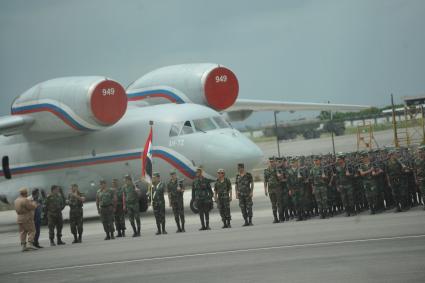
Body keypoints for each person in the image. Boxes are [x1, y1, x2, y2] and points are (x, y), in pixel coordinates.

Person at [15, 188, 38, 252]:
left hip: (19, 218)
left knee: (23, 232)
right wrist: (34, 204)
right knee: (32, 230)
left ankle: (23, 246)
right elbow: (31, 207)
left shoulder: (16, 200)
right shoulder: (25, 200)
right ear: (25, 193)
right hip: (27, 218)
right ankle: (30, 243)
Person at [264, 157, 283, 223]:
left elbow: (281, 178)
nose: (271, 163)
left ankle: (281, 217)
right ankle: (275, 218)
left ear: (275, 162)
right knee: (273, 204)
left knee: (279, 203)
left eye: (272, 161)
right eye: (270, 162)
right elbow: (265, 181)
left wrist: (279, 176)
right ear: (268, 162)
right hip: (270, 189)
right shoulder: (266, 170)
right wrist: (265, 190)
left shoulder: (278, 169)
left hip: (277, 188)